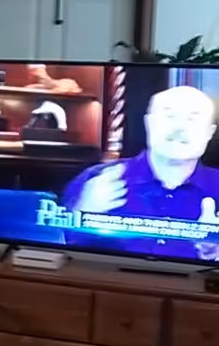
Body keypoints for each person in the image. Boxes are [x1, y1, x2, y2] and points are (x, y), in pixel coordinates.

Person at [62, 85, 219, 260]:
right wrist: (84, 211)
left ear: (209, 133)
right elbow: (61, 253)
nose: (180, 128)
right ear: (149, 124)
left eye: (193, 119)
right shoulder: (95, 180)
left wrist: (215, 250)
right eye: (170, 116)